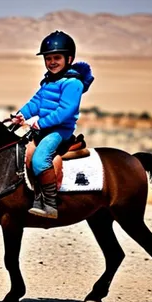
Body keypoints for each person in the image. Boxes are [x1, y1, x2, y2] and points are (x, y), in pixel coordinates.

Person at [12, 30, 94, 219]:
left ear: (69, 58)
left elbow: (66, 110)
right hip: (43, 128)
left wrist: (41, 123)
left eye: (57, 57)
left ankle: (50, 204)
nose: (52, 62)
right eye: (48, 58)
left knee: (40, 160)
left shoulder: (73, 83)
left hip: (59, 131)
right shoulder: (48, 81)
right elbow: (36, 102)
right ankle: (32, 196)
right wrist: (21, 115)